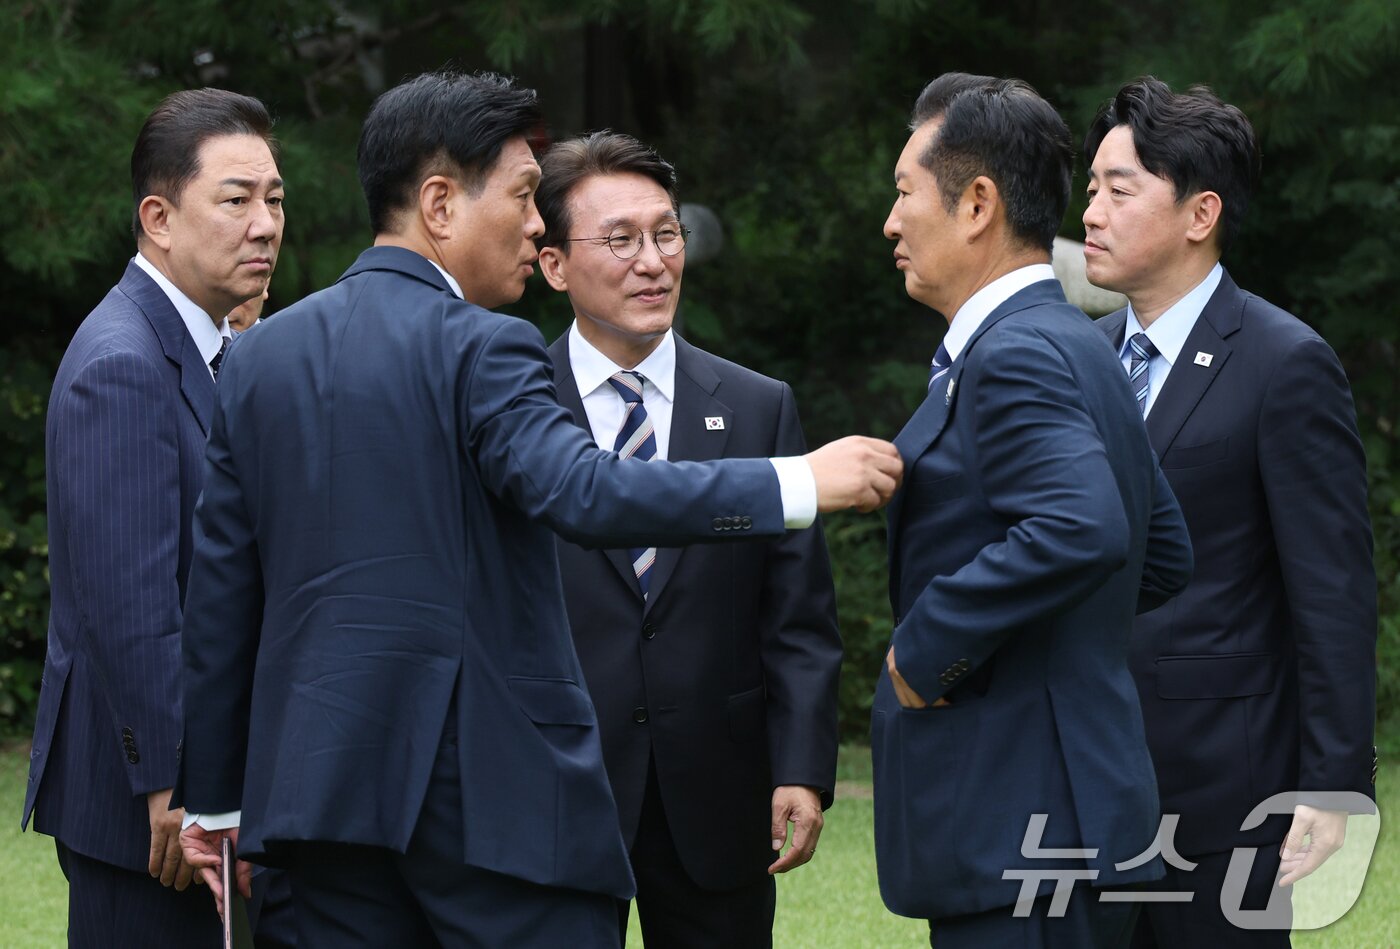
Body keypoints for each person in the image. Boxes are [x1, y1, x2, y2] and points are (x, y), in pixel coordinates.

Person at [173, 70, 901, 949]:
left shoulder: (257, 357)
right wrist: (795, 482)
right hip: (488, 816)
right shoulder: (487, 345)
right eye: (522, 195)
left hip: (314, 812)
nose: (533, 222)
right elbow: (586, 489)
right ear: (439, 203)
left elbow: (222, 593)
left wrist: (214, 797)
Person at [870, 72, 1194, 949]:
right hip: (1077, 812)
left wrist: (924, 650)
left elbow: (1081, 527)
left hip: (1023, 822)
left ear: (976, 204)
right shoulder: (1083, 344)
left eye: (905, 193)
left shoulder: (1016, 354)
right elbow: (1161, 552)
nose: (892, 222)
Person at [1083, 77, 1377, 946]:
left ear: (1199, 213)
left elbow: (1332, 591)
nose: (1091, 211)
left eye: (1119, 189)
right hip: (1085, 776)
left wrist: (1331, 783)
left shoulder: (1285, 362)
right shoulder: (1084, 356)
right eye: (1090, 188)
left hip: (1225, 788)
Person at [534, 131, 843, 948]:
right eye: (619, 239)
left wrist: (803, 767)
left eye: (666, 234)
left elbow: (799, 616)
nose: (652, 261)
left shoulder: (755, 406)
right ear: (555, 265)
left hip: (717, 789)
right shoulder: (514, 409)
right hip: (555, 790)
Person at [21, 88, 282, 947]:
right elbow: (131, 602)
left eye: (274, 198)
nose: (265, 223)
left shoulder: (214, 343)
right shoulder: (123, 361)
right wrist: (175, 784)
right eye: (236, 199)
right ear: (159, 218)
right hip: (151, 815)